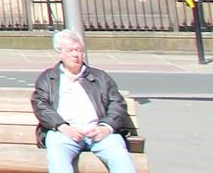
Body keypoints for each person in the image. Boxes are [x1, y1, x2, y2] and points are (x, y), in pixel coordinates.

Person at [32, 29, 137, 173]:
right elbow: (40, 105)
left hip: (98, 132)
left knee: (120, 157)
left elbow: (117, 104)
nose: (75, 54)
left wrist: (106, 127)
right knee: (57, 156)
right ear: (60, 52)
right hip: (64, 133)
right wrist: (62, 127)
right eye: (70, 50)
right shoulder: (48, 78)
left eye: (79, 50)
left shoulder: (100, 77)